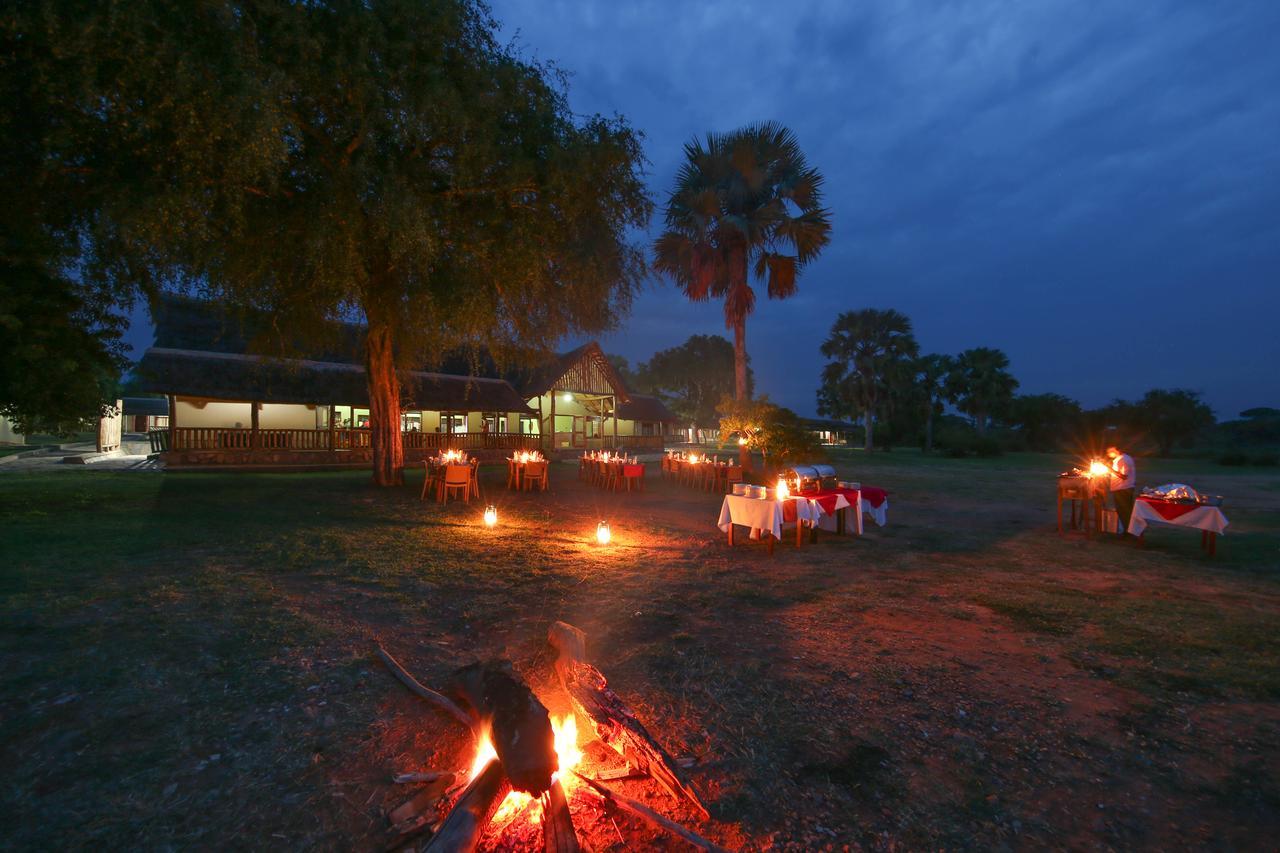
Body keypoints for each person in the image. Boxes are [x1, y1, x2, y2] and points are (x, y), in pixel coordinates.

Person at [1106, 444, 1136, 532]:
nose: (1108, 454)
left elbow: (1124, 476)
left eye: (1110, 451)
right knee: (1125, 511)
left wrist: (1109, 469)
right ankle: (1129, 531)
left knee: (1124, 512)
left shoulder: (1123, 459)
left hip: (1123, 489)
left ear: (1116, 450)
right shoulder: (1122, 458)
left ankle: (1128, 532)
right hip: (1122, 489)